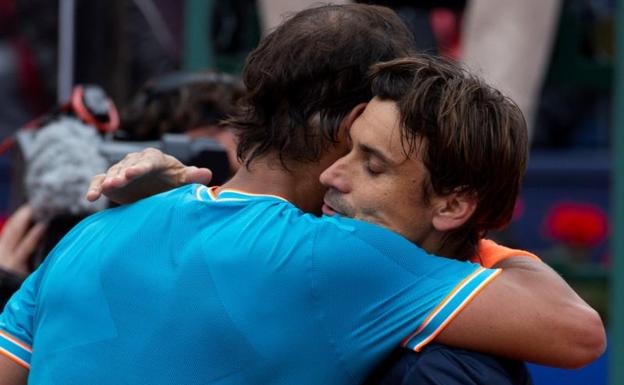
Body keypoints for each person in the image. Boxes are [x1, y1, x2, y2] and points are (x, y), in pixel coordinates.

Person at [0, 4, 604, 385]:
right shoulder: (336, 256)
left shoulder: (88, 233)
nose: (347, 175)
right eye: (365, 148)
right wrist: (479, 238)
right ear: (349, 126)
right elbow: (578, 332)